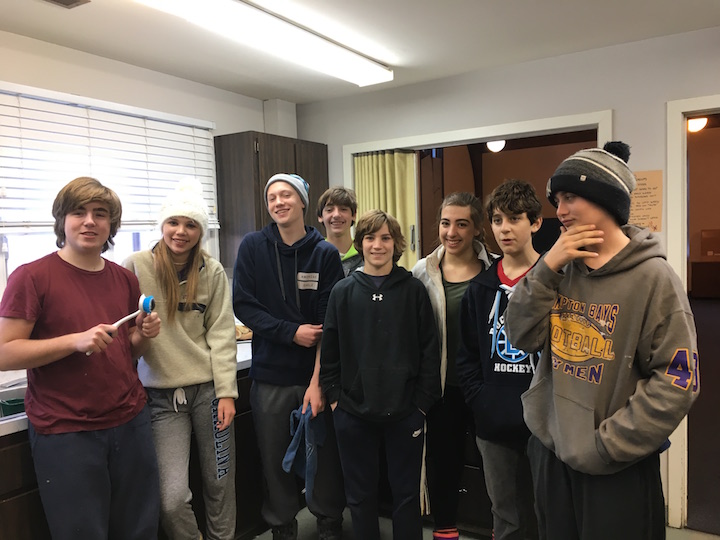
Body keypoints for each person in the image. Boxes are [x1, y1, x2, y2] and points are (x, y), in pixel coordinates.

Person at [505, 142, 700, 540]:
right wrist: (547, 267)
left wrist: (607, 445)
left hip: (616, 466)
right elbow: (520, 336)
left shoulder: (653, 278)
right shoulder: (558, 269)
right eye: (557, 200)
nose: (560, 210)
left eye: (570, 197)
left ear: (606, 199)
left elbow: (678, 380)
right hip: (551, 453)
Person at [0, 176, 162, 539]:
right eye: (79, 212)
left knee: (140, 530)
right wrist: (74, 341)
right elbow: (5, 353)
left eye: (100, 213)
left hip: (130, 421)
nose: (90, 221)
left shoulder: (124, 279)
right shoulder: (31, 277)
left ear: (111, 225)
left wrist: (142, 336)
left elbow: (126, 353)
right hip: (67, 431)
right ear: (62, 220)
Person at [123, 179, 238, 540]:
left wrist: (227, 392)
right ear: (162, 224)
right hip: (161, 398)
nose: (181, 232)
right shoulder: (135, 267)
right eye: (174, 222)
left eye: (191, 225)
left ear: (200, 231)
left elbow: (222, 334)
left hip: (209, 394)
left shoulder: (212, 271)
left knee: (220, 483)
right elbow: (123, 332)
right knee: (171, 499)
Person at [233, 173, 346, 540]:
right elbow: (244, 306)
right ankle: (282, 524)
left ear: (302, 202)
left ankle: (328, 521)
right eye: (272, 197)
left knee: (323, 457)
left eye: (286, 195)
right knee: (273, 458)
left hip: (315, 377)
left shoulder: (324, 253)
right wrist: (291, 332)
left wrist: (318, 383)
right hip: (269, 377)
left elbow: (329, 325)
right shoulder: (253, 247)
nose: (278, 202)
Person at [320, 209, 442, 540]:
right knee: (360, 496)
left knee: (406, 496)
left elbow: (429, 351)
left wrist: (421, 404)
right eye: (370, 238)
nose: (378, 245)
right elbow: (329, 352)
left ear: (395, 243)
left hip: (406, 411)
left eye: (385, 238)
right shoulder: (343, 292)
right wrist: (335, 400)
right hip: (352, 412)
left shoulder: (413, 290)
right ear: (360, 243)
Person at [456, 180, 543, 540]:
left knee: (549, 512)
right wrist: (483, 401)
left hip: (546, 426)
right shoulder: (480, 288)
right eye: (497, 220)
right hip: (494, 424)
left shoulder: (555, 282)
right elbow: (466, 357)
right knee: (505, 516)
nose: (505, 229)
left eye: (515, 218)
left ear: (535, 222)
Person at [411, 192, 494, 540]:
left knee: (494, 467)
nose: (452, 232)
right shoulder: (422, 271)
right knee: (444, 465)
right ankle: (445, 531)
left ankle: (500, 529)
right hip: (442, 389)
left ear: (476, 229)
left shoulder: (496, 270)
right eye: (446, 223)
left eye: (462, 224)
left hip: (485, 389)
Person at [317, 186, 363, 276]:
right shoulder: (314, 255)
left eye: (343, 209)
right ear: (320, 217)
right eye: (329, 210)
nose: (336, 215)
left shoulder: (365, 253)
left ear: (354, 215)